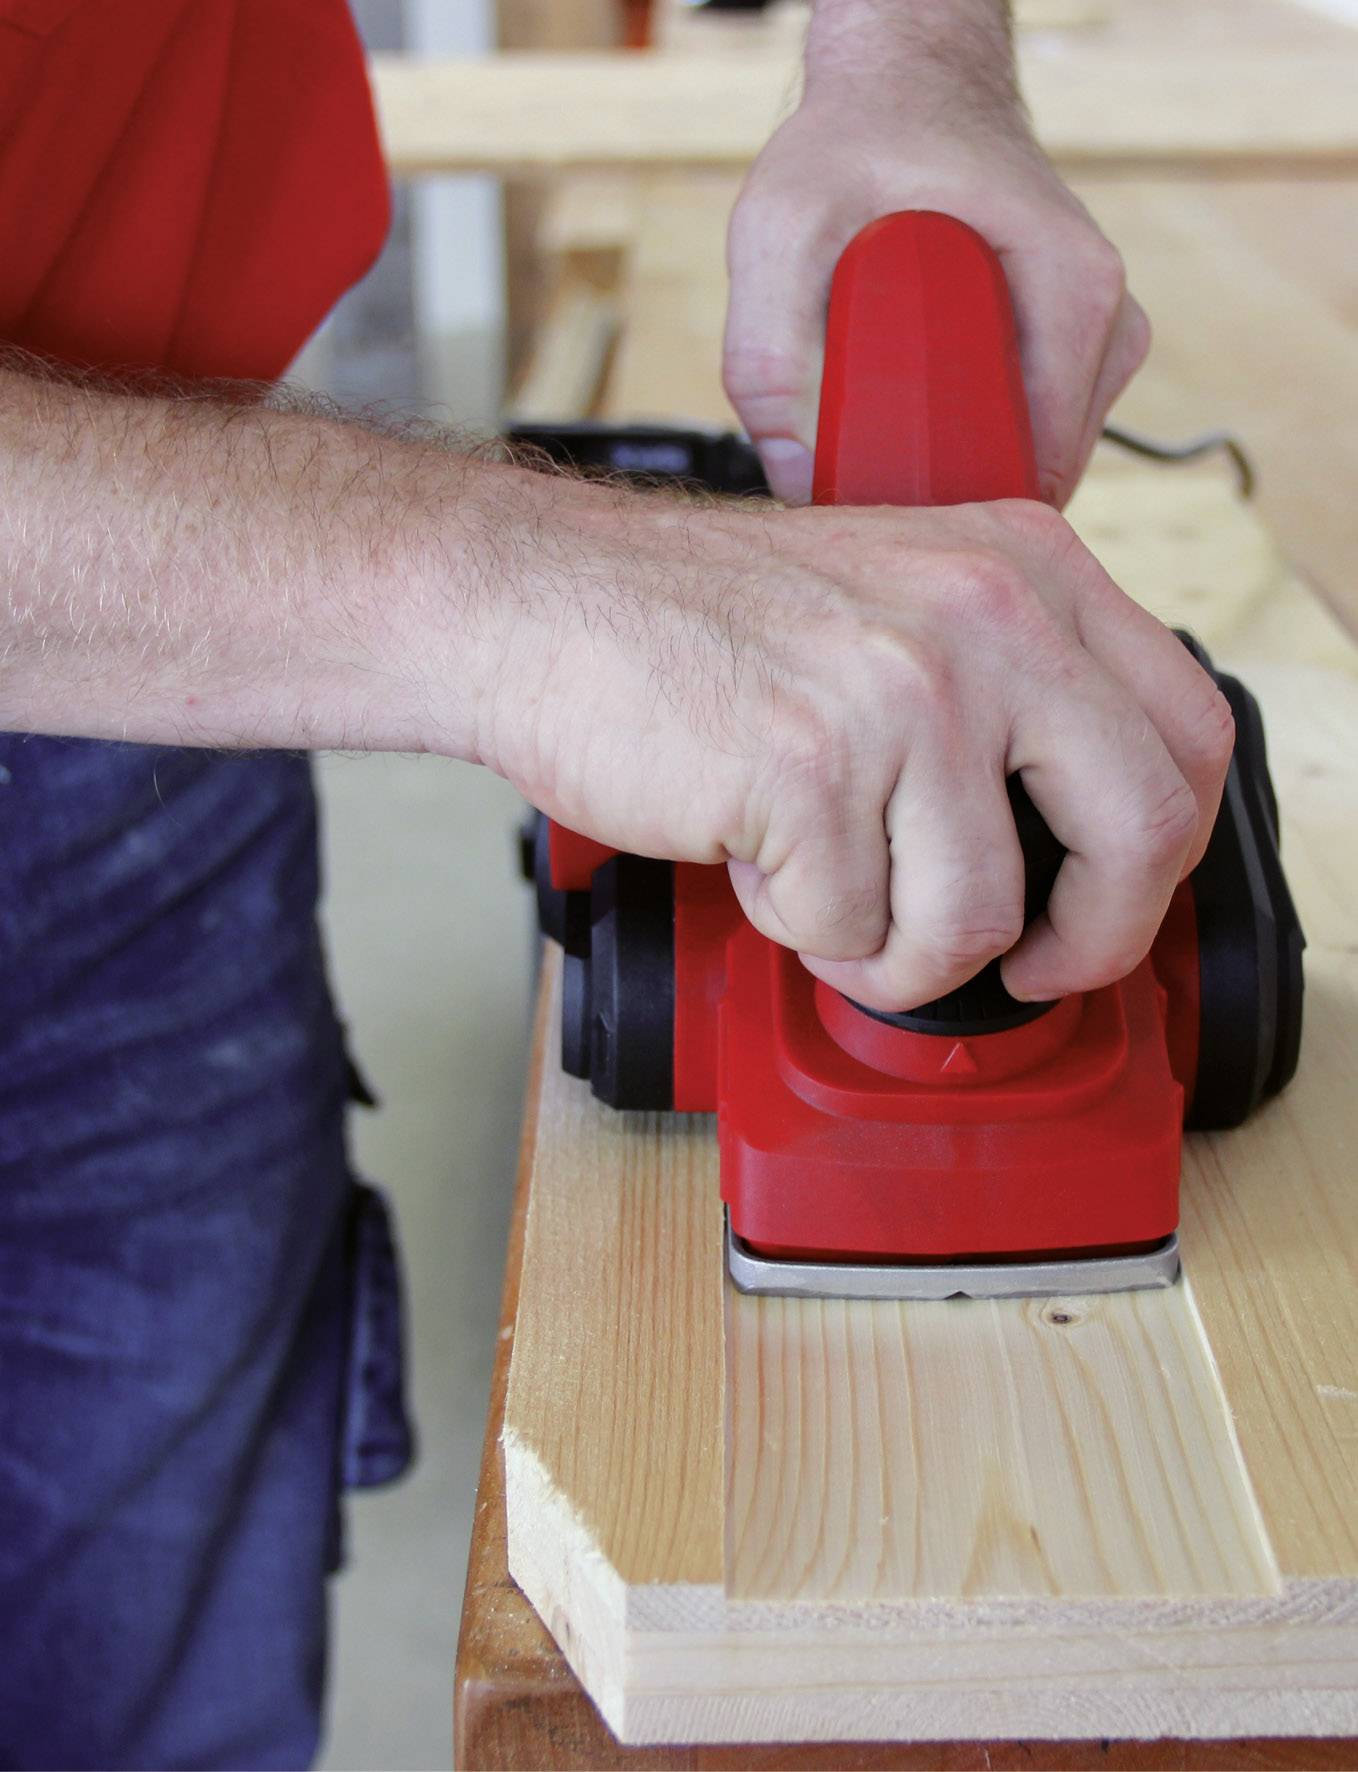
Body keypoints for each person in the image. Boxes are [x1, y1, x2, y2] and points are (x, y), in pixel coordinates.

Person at [0, 0, 1232, 1765]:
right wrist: (506, 596)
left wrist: (912, 67)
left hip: (156, 675)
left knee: (149, 1689)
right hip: (180, 590)